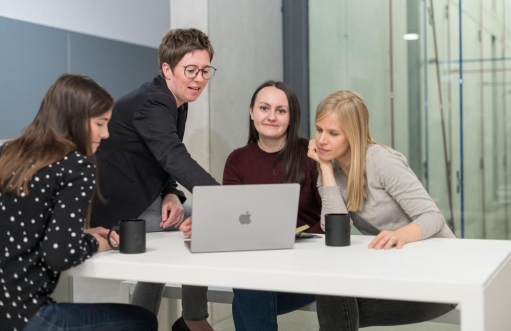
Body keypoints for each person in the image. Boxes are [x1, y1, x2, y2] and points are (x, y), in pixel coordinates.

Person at [0, 74, 158, 331]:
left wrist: (78, 233)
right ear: (75, 120)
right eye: (100, 123)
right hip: (25, 316)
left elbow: (22, 228)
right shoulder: (75, 165)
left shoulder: (8, 154)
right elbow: (60, 255)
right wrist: (98, 241)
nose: (106, 134)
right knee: (143, 321)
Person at [89, 28, 218, 331]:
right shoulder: (155, 102)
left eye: (205, 70)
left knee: (193, 221)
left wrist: (170, 194)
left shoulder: (174, 99)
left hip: (143, 198)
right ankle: (193, 319)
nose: (199, 79)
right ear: (167, 69)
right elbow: (173, 156)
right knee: (206, 220)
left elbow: (158, 156)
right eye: (191, 70)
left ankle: (175, 319)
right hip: (113, 209)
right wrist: (223, 201)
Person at [307, 90, 457, 330]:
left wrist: (400, 235)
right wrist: (325, 168)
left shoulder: (381, 160)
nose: (322, 140)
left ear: (353, 135)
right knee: (332, 291)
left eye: (333, 133)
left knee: (335, 306)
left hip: (440, 277)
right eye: (319, 129)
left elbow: (434, 218)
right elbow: (335, 233)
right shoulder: (330, 173)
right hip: (396, 271)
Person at [222, 80, 322, 330]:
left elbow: (333, 212)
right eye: (264, 108)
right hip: (259, 262)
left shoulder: (311, 154)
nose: (271, 117)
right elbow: (232, 219)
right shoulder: (237, 159)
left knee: (245, 296)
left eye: (281, 110)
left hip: (309, 263)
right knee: (248, 288)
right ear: (251, 112)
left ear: (291, 117)